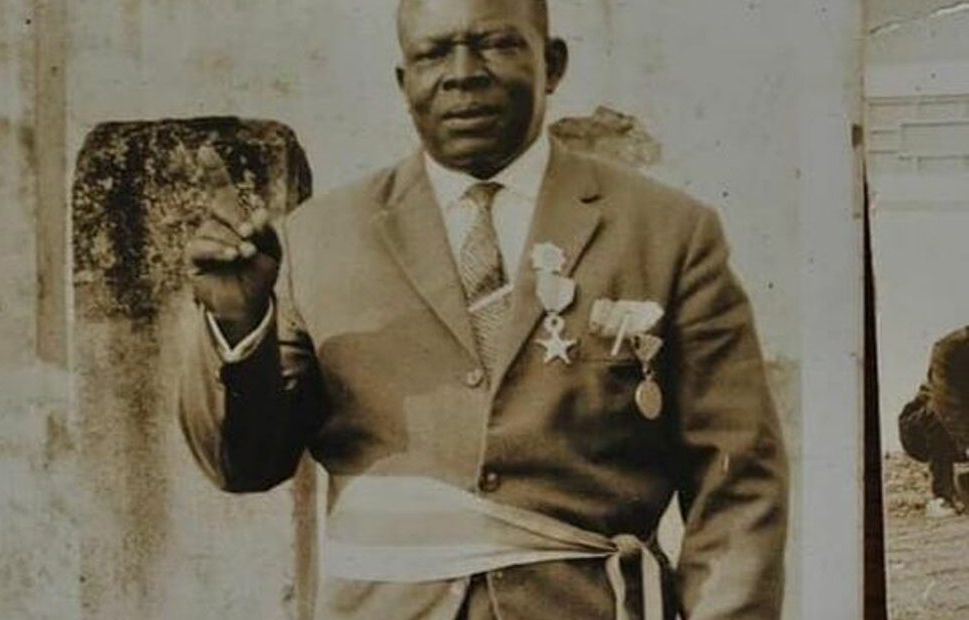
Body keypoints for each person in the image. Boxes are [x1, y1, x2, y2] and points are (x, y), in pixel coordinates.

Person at [177, 0, 788, 618]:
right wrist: (238, 323)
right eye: (433, 53)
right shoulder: (319, 239)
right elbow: (243, 465)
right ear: (404, 81)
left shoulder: (666, 232)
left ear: (553, 64)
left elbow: (737, 481)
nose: (463, 74)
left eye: (495, 44)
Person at [899, 328, 969, 518]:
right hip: (919, 430)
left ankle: (963, 486)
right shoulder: (949, 348)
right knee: (937, 412)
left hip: (961, 431)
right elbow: (945, 401)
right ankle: (941, 497)